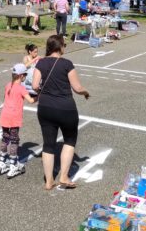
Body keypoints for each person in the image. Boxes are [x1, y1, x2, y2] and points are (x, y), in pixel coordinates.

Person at [32, 35, 90, 191]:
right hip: (66, 108)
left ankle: (49, 181)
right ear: (60, 47)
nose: (65, 47)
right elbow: (77, 88)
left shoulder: (41, 63)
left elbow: (35, 85)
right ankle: (64, 176)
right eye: (64, 45)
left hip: (45, 107)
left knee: (48, 144)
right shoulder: (67, 64)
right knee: (69, 140)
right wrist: (85, 92)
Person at [0, 63, 37, 178]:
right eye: (25, 74)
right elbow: (30, 100)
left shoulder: (8, 85)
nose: (25, 76)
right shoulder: (21, 88)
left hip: (4, 116)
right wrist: (39, 95)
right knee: (14, 140)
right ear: (21, 76)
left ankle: (2, 163)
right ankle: (13, 165)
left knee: (5, 138)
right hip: (14, 118)